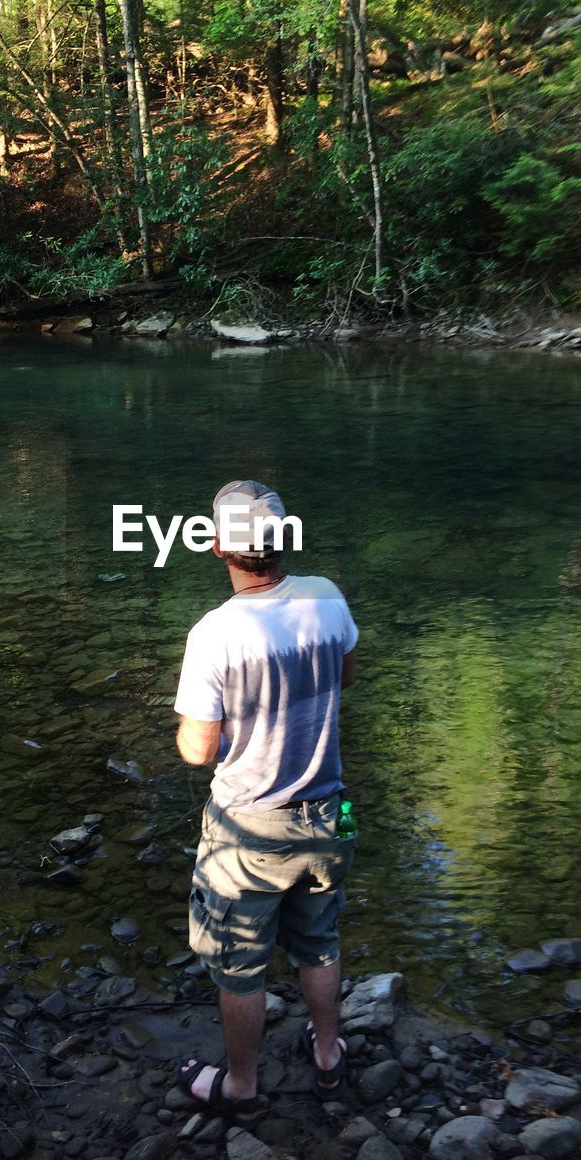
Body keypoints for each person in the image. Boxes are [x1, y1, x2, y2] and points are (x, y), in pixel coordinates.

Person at [173, 479, 359, 1125]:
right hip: (329, 814)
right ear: (283, 539)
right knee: (319, 940)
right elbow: (346, 675)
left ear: (218, 545)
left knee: (239, 964)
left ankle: (244, 1087)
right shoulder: (328, 599)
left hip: (248, 829)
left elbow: (198, 750)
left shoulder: (214, 634)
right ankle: (330, 1057)